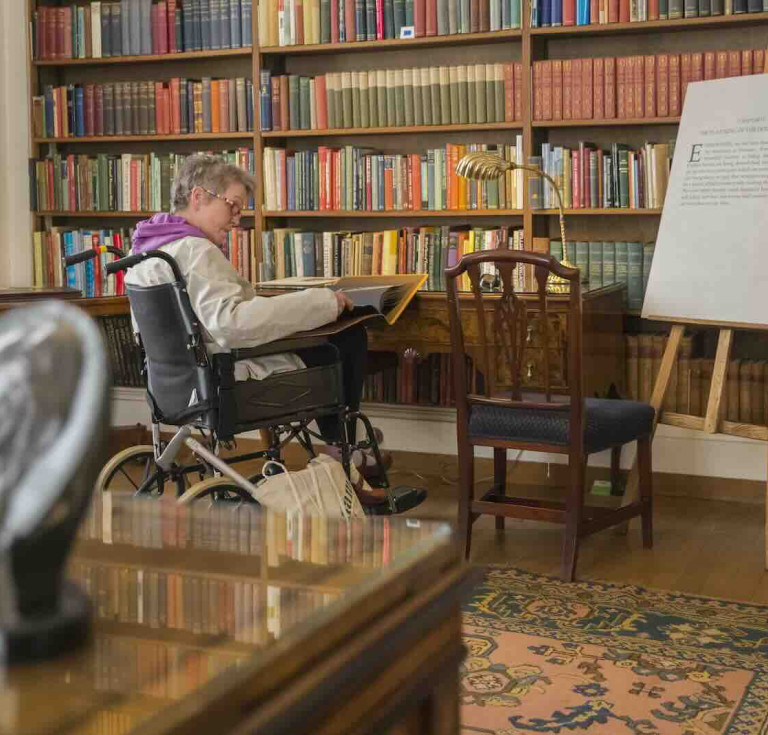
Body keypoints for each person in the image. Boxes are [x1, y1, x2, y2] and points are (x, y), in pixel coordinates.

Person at [124, 154, 390, 505]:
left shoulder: (147, 250)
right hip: (225, 381)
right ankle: (344, 459)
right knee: (344, 340)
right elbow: (231, 324)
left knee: (326, 339)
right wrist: (323, 303)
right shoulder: (196, 250)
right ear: (199, 197)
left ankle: (348, 455)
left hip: (172, 385)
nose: (237, 220)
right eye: (233, 207)